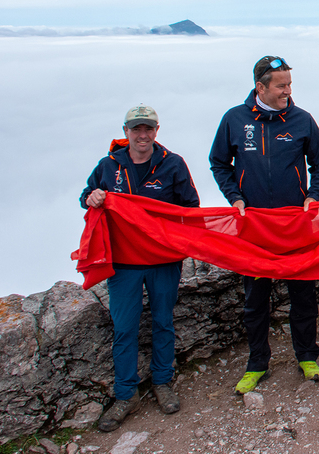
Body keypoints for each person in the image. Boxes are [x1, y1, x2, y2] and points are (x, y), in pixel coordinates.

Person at [209, 56, 319, 394]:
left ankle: (307, 357)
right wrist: (234, 196)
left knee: (302, 293)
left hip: (295, 224)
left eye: (290, 84)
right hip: (255, 228)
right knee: (255, 299)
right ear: (260, 87)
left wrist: (314, 195)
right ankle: (257, 364)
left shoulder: (302, 119)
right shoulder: (234, 119)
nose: (288, 91)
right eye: (282, 85)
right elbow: (218, 162)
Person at [80, 105, 200, 431]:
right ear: (126, 131)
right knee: (124, 329)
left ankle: (162, 383)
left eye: (148, 129)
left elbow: (191, 207)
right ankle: (125, 394)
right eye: (136, 129)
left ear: (157, 131)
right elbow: (85, 195)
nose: (142, 135)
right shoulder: (109, 166)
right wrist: (92, 197)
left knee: (163, 322)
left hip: (163, 260)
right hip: (124, 264)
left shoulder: (172, 164)